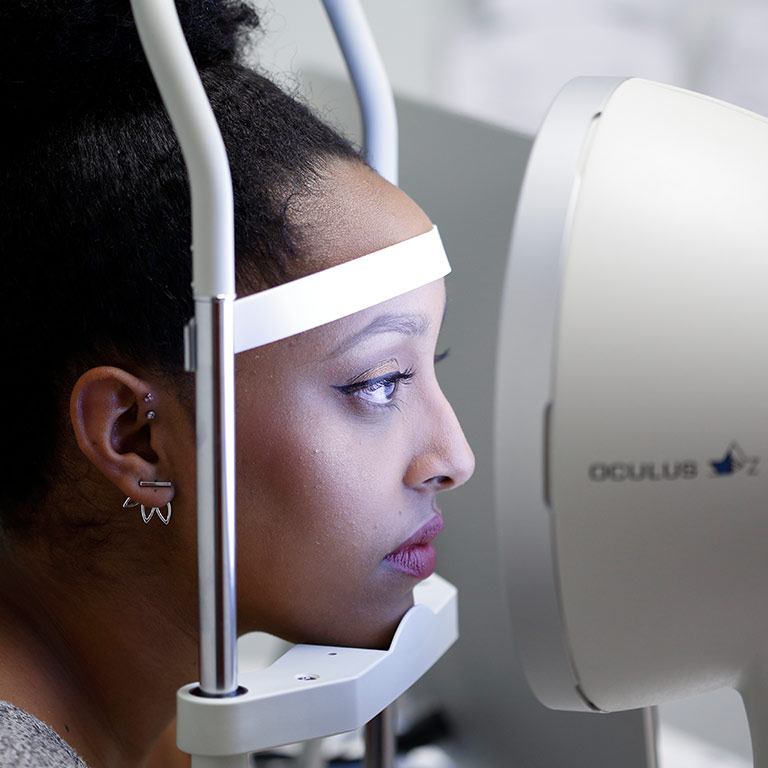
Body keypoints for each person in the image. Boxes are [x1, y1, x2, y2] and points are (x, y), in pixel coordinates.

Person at [0, 1, 475, 766]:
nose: (454, 457)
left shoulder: (151, 726)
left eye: (431, 373)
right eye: (380, 384)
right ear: (138, 437)